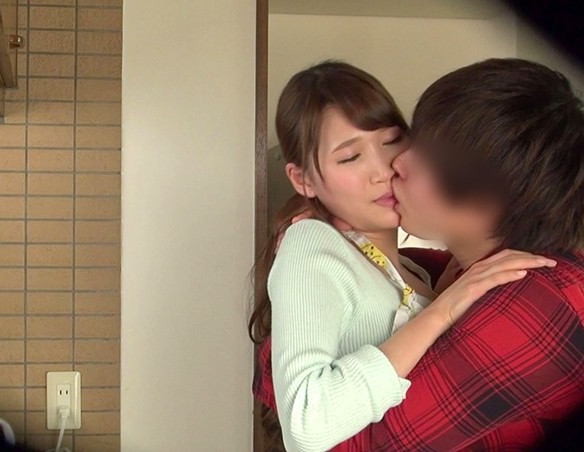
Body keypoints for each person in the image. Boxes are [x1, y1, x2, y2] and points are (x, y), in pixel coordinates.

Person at [247, 61, 554, 452]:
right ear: (303, 180)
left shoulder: (415, 271)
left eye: (393, 140)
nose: (383, 170)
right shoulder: (311, 242)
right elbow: (306, 426)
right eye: (349, 157)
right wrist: (442, 311)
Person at [324, 58, 584, 450]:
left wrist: (299, 281)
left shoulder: (537, 305)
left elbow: (345, 440)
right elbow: (410, 274)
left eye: (435, 162)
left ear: (491, 205)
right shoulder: (482, 268)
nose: (399, 161)